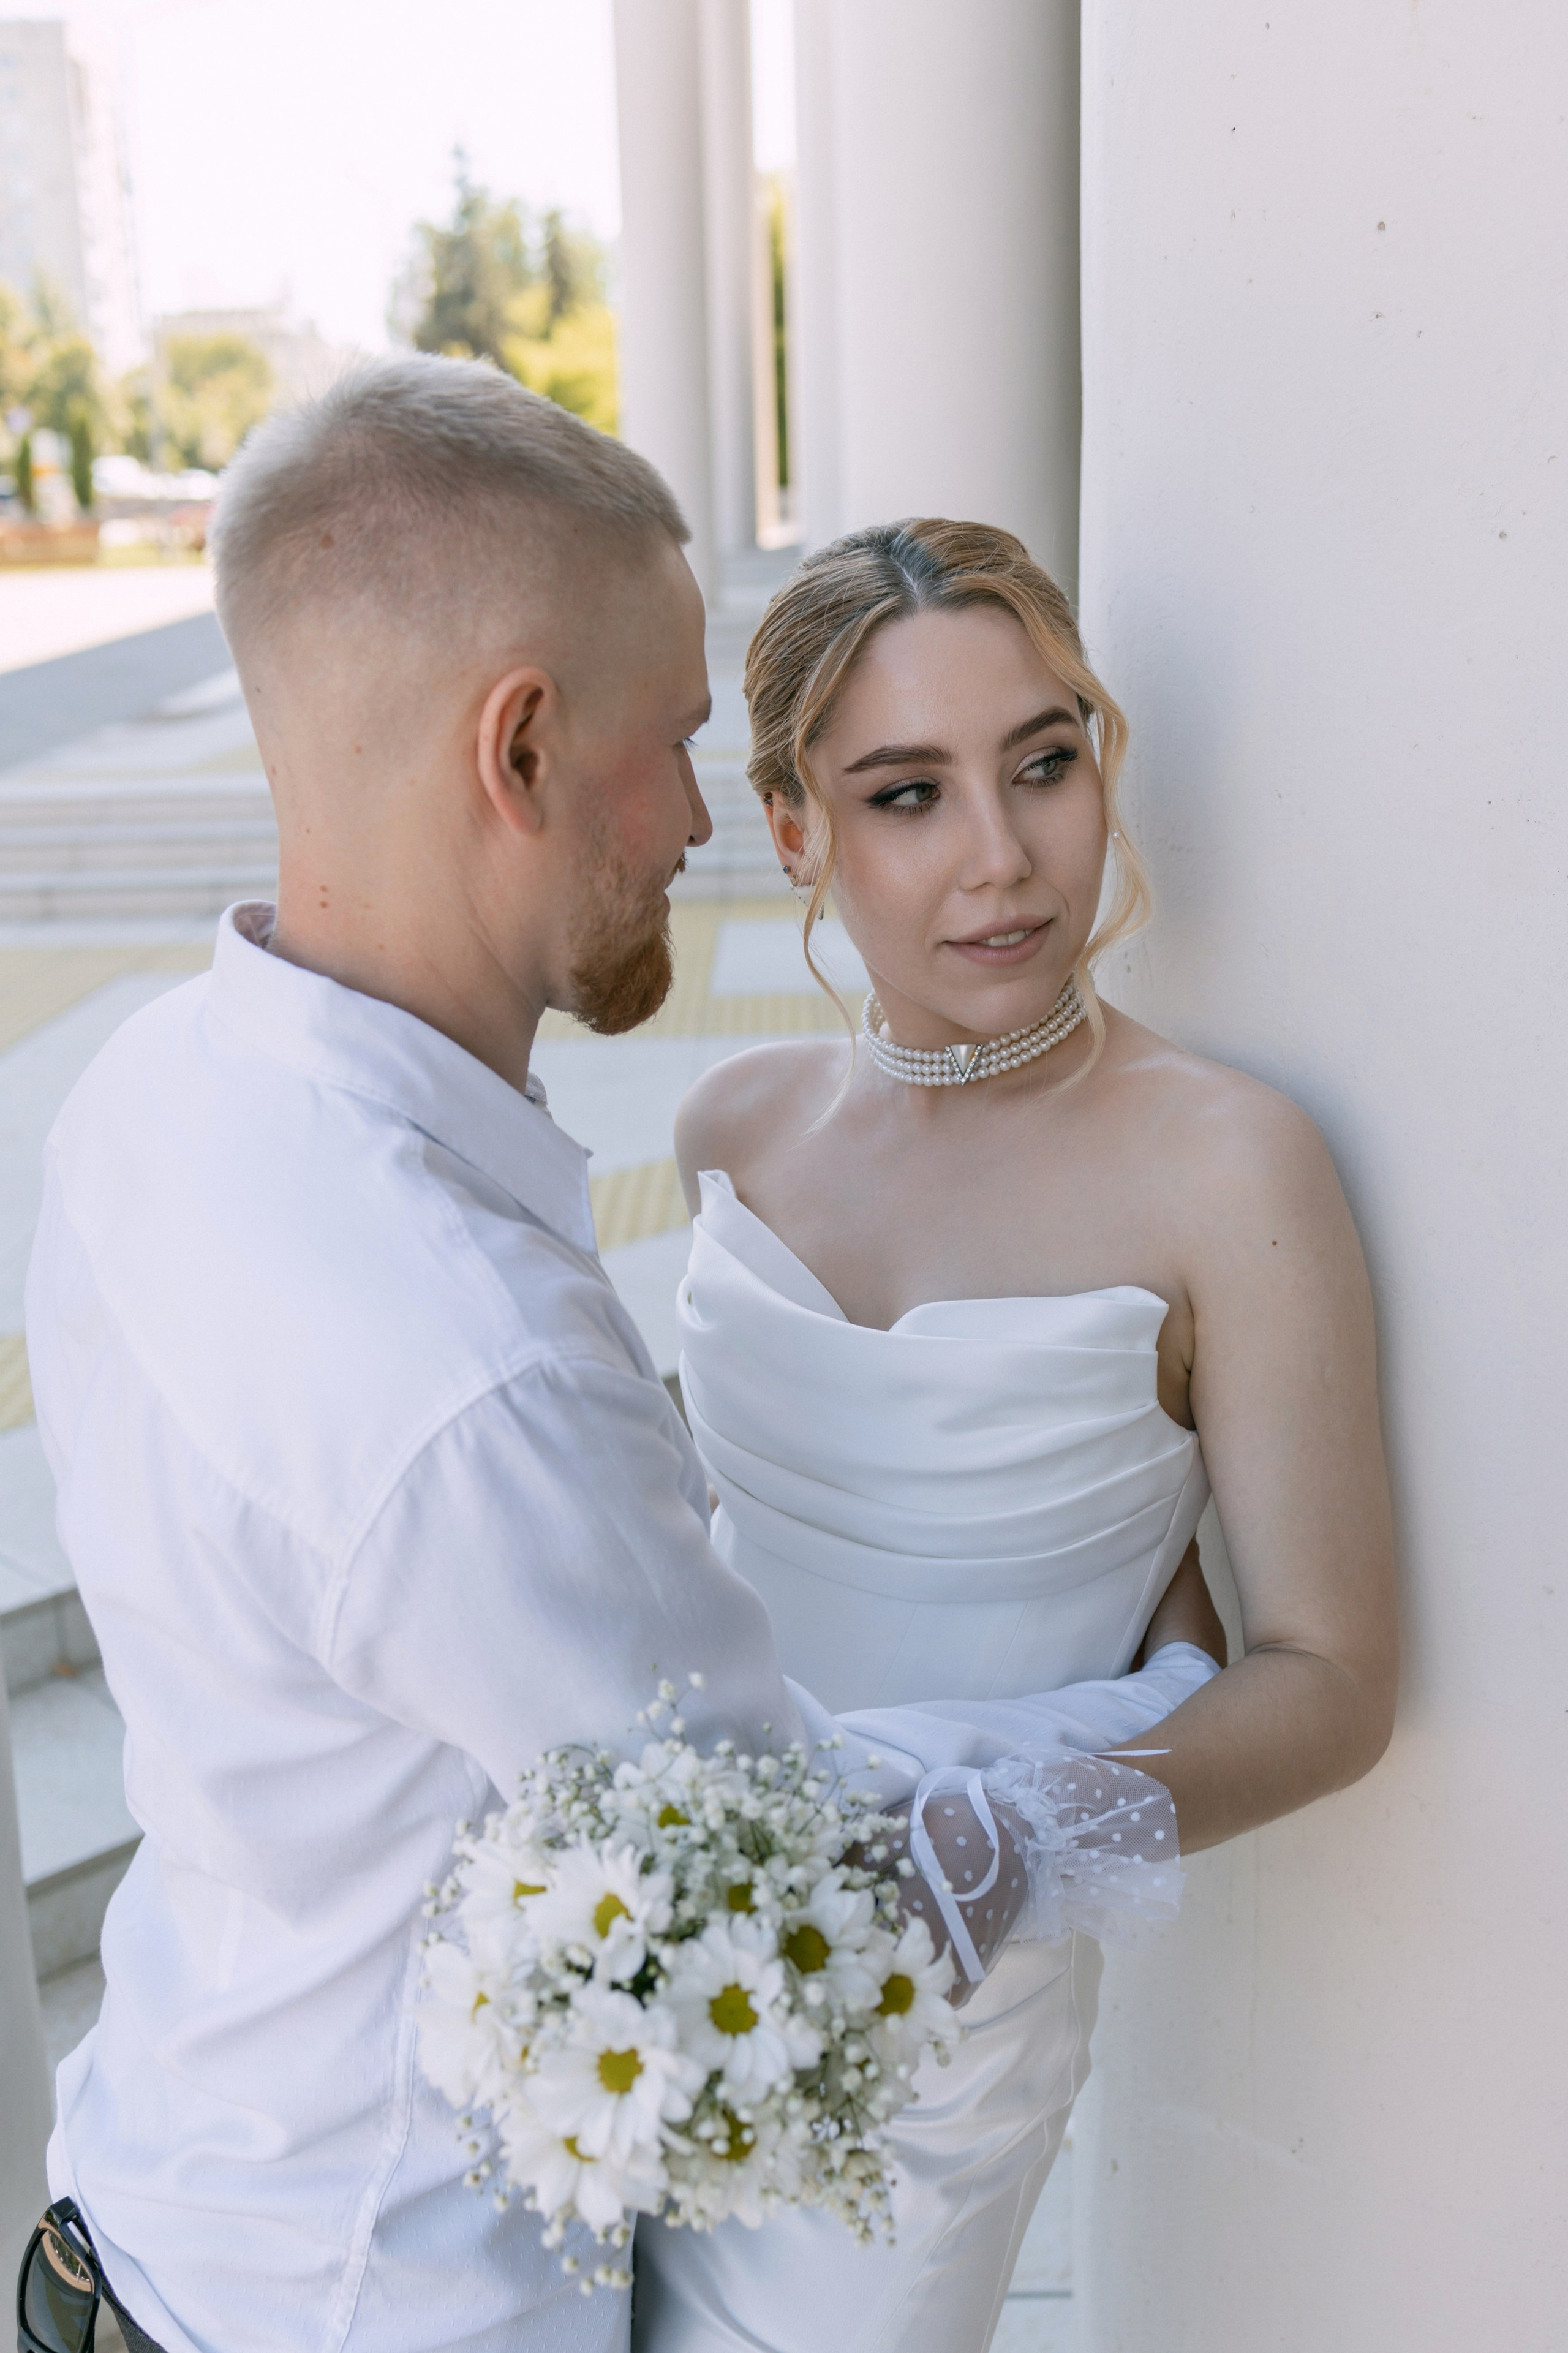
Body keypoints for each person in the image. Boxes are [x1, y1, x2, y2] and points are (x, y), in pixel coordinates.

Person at [21, 364, 1219, 2353]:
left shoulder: (150, 1090)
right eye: (669, 740)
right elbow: (793, 1872)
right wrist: (1142, 1673)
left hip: (140, 2205)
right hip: (365, 2303)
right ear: (519, 748)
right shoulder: (475, 1380)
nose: (702, 821)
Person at [644, 519, 1400, 2351]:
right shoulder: (733, 1126)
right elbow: (716, 1530)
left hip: (947, 2035)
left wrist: (1009, 1843)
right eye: (908, 794)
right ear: (796, 831)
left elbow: (1332, 1678)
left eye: (1044, 765)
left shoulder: (1231, 1165)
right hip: (656, 1949)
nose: (1001, 856)